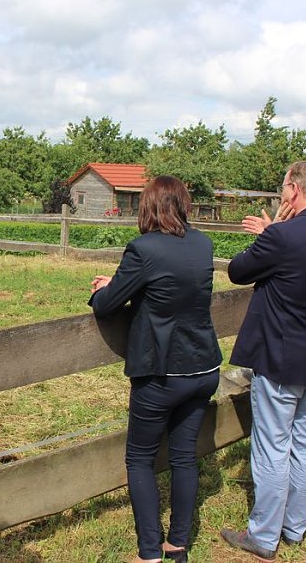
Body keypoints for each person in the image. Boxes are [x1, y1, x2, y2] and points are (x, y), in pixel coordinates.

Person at [220, 161, 306, 561]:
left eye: (282, 189)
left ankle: (263, 535)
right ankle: (295, 526)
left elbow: (238, 271)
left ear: (293, 190)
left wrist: (273, 230)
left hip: (282, 358)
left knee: (272, 446)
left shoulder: (284, 235)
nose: (281, 196)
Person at [89, 175, 222, 563]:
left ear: (148, 207)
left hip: (162, 373)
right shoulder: (202, 244)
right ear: (183, 204)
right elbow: (173, 287)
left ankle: (150, 552)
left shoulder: (143, 249)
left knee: (140, 459)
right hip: (203, 367)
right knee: (183, 456)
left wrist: (104, 288)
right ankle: (177, 545)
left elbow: (107, 305)